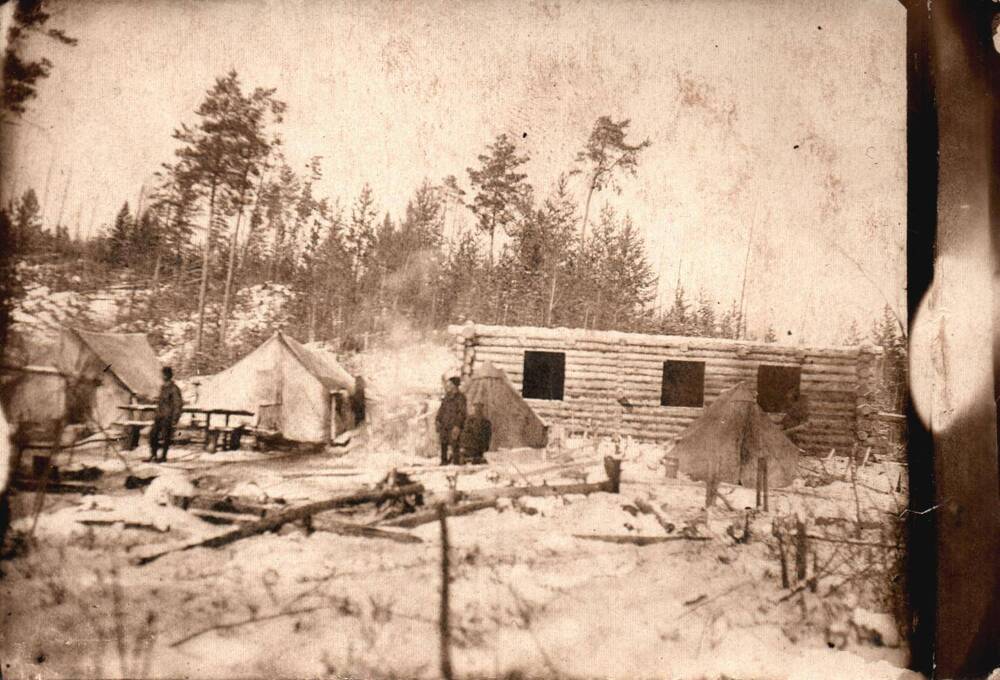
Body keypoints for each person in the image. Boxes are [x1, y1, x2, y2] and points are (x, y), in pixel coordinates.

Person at [148, 366, 184, 463]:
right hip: (159, 416)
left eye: (164, 374)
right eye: (162, 374)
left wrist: (175, 418)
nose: (162, 376)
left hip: (167, 417)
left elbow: (178, 404)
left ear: (169, 375)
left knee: (165, 437)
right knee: (152, 435)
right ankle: (153, 455)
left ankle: (163, 457)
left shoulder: (174, 389)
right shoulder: (163, 388)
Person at [435, 376, 466, 465]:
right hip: (444, 425)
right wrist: (438, 420)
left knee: (455, 444)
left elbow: (462, 413)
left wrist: (458, 426)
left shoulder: (461, 398)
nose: (448, 385)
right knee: (443, 444)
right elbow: (441, 409)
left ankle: (456, 463)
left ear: (455, 385)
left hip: (454, 426)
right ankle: (443, 461)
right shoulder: (447, 397)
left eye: (450, 384)